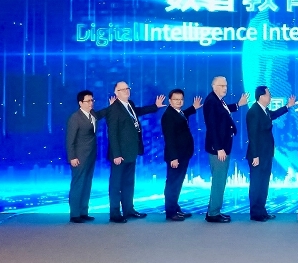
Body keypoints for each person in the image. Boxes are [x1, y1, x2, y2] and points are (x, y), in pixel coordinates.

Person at [103, 81, 165, 223]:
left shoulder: (129, 104)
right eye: (122, 89)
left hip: (131, 151)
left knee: (129, 182)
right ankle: (115, 214)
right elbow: (112, 133)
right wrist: (116, 154)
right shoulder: (113, 108)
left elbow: (138, 111)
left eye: (127, 88)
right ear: (116, 93)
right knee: (116, 184)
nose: (126, 91)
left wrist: (155, 106)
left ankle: (129, 210)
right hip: (119, 154)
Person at [245, 86, 296, 222]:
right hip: (257, 155)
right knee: (257, 184)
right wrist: (255, 155)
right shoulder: (253, 112)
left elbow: (273, 115)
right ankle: (255, 213)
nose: (271, 97)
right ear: (261, 96)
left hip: (266, 154)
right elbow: (252, 135)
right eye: (269, 94)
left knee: (264, 183)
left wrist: (287, 106)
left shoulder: (264, 110)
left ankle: (262, 211)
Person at [202, 76, 249, 223]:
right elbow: (212, 126)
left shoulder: (218, 101)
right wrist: (219, 148)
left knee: (220, 180)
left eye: (226, 85)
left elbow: (224, 111)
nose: (225, 88)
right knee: (219, 180)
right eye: (222, 86)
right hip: (219, 149)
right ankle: (213, 213)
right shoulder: (211, 101)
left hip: (222, 146)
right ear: (213, 86)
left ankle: (213, 210)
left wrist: (238, 104)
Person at [65, 90, 114, 224]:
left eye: (92, 100)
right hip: (79, 156)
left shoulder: (92, 114)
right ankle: (75, 214)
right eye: (88, 101)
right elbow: (70, 140)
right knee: (78, 184)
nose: (91, 103)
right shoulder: (75, 118)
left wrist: (110, 106)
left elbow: (101, 114)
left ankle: (83, 212)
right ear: (80, 103)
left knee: (87, 183)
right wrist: (72, 157)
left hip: (91, 155)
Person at [161, 89, 202, 221]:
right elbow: (169, 138)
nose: (179, 102)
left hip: (183, 155)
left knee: (177, 183)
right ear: (170, 101)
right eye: (176, 99)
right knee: (173, 183)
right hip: (176, 157)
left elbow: (183, 115)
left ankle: (175, 208)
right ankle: (170, 212)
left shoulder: (178, 112)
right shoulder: (168, 116)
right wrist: (173, 157)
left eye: (181, 99)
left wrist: (193, 108)